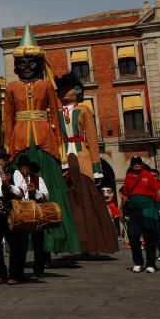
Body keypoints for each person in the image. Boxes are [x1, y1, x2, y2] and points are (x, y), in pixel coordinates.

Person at [4, 26, 80, 255]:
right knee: (20, 192)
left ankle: (53, 240)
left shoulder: (47, 85)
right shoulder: (11, 88)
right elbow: (7, 119)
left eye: (32, 62)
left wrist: (61, 148)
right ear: (17, 66)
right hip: (20, 141)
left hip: (45, 140)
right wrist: (8, 148)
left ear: (39, 63)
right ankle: (22, 240)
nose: (27, 66)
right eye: (23, 62)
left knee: (50, 189)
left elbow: (55, 114)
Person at [55, 72, 117, 255]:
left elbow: (91, 138)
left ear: (78, 91)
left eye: (69, 89)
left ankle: (92, 244)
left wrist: (97, 168)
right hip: (64, 158)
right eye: (62, 89)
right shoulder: (56, 114)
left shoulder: (84, 110)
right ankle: (72, 243)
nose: (65, 92)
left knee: (88, 202)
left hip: (82, 156)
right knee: (68, 203)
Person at [0, 148, 28, 285]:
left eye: (1, 158)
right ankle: (0, 273)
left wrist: (9, 185)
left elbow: (21, 192)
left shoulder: (16, 173)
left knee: (15, 244)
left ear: (6, 160)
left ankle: (15, 274)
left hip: (12, 211)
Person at [119, 156, 160, 273]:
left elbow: (158, 191)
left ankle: (151, 264)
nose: (136, 164)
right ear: (131, 165)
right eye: (134, 163)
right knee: (133, 236)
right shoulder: (128, 177)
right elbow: (125, 195)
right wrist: (121, 210)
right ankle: (138, 262)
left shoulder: (148, 175)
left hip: (148, 209)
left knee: (150, 237)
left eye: (138, 163)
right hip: (134, 210)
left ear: (142, 164)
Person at [15, 155, 49, 277]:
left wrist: (35, 191)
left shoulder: (37, 179)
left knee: (38, 242)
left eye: (26, 166)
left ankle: (39, 267)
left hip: (35, 213)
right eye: (21, 167)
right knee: (21, 243)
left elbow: (46, 196)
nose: (24, 169)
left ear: (29, 168)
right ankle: (19, 269)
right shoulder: (15, 179)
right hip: (22, 214)